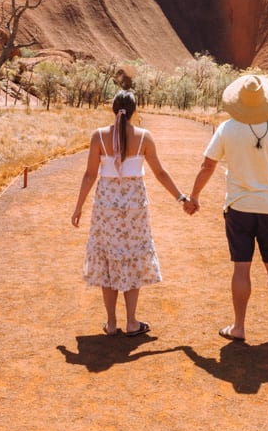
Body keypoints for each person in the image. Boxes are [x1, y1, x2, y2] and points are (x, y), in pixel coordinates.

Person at [185, 73, 268, 343]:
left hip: (238, 208)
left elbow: (207, 166)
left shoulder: (227, 129)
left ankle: (239, 327)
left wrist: (194, 196)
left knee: (241, 268)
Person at [71, 89, 190, 336]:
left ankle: (111, 323)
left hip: (106, 206)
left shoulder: (99, 137)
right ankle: (132, 322)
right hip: (134, 207)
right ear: (135, 111)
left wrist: (78, 206)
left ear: (113, 109)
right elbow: (160, 173)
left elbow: (90, 174)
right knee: (132, 256)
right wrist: (180, 196)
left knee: (107, 259)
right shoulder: (144, 137)